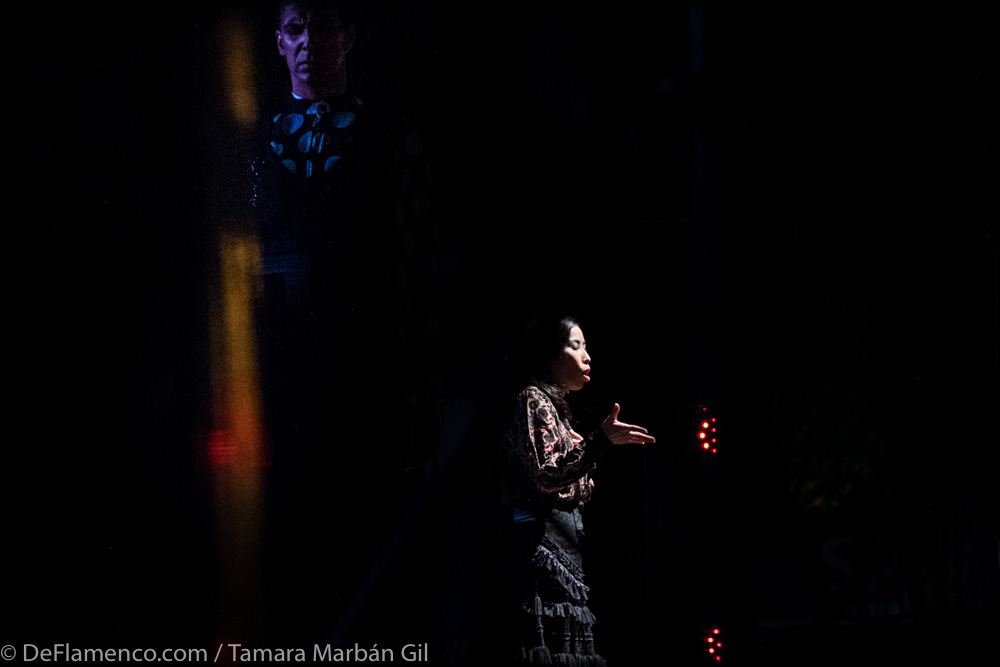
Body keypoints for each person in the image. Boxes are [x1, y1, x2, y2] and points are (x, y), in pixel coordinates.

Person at [501, 316, 656, 665]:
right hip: (541, 548)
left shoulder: (554, 409)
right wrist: (598, 442)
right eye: (575, 346)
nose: (587, 356)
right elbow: (546, 476)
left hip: (562, 552)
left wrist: (587, 448)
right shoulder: (531, 398)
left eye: (585, 346)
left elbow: (573, 484)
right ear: (551, 354)